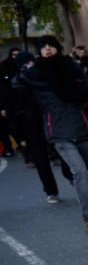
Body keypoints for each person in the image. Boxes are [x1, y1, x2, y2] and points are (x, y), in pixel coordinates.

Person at [15, 35, 88, 236]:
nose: (48, 49)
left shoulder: (72, 69)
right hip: (58, 133)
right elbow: (21, 97)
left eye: (52, 45)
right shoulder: (34, 77)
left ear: (59, 48)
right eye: (44, 47)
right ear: (39, 52)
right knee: (80, 172)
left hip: (82, 128)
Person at [0, 51, 62, 203]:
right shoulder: (15, 82)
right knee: (41, 160)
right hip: (30, 126)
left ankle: (70, 176)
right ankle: (51, 190)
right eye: (25, 64)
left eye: (31, 62)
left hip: (50, 121)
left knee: (63, 152)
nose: (29, 66)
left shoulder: (43, 76)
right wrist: (20, 135)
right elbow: (13, 111)